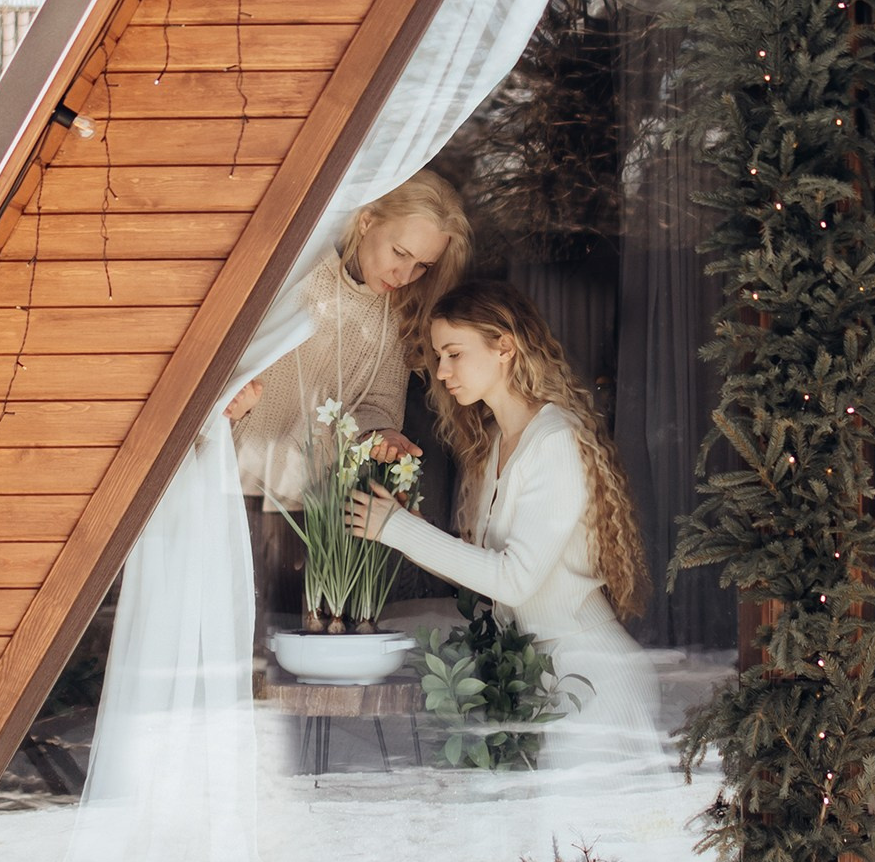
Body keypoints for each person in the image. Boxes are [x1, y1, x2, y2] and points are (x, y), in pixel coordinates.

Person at [347, 278, 661, 770]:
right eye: (437, 356)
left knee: (588, 846)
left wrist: (397, 530)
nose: (442, 371)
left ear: (504, 348)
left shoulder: (553, 441)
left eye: (454, 353)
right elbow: (491, 574)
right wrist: (410, 527)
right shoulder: (499, 444)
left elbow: (515, 580)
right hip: (542, 676)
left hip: (593, 678)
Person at [230, 171, 472, 514]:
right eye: (400, 253)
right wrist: (229, 407)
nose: (404, 277)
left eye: (422, 266)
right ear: (366, 221)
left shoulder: (398, 312)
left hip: (303, 505)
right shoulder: (297, 266)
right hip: (226, 475)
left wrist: (379, 434)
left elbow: (377, 403)